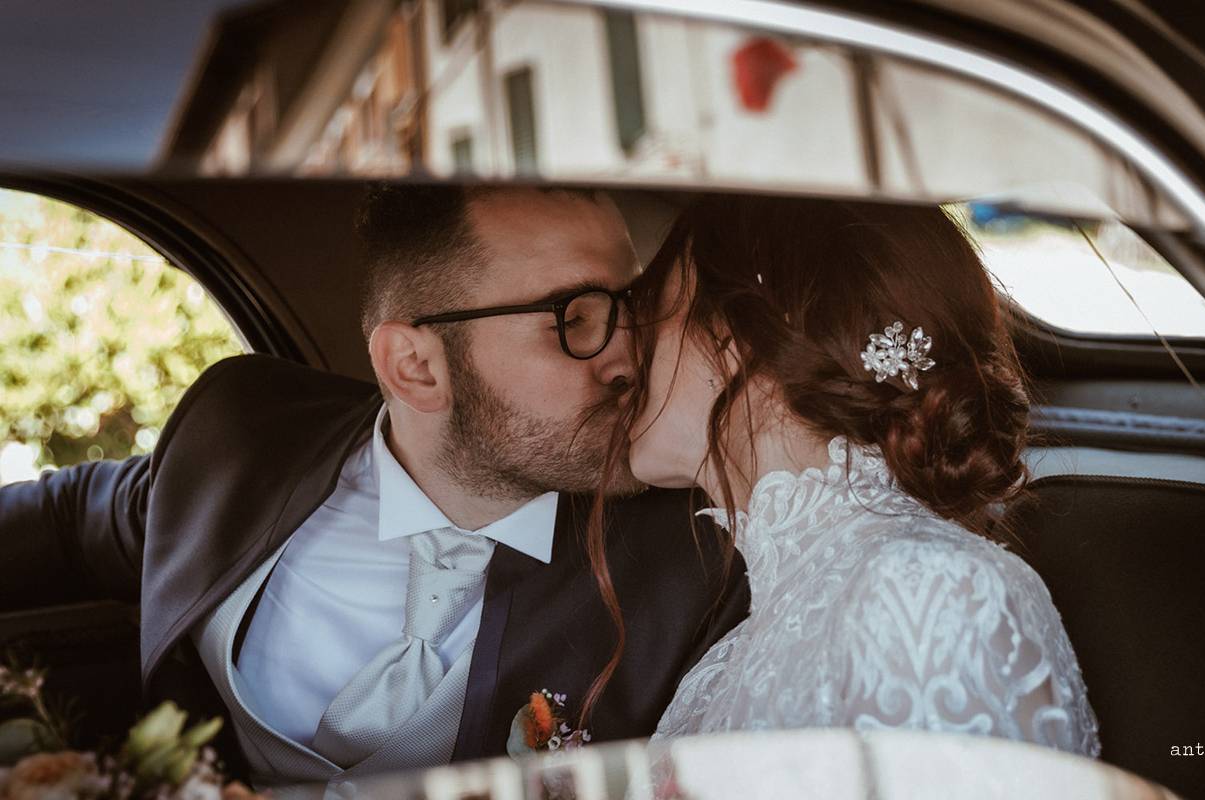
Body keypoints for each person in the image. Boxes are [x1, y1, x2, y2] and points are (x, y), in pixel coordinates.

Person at [0, 184, 748, 787]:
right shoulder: (242, 438)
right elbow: (68, 521)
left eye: (635, 309)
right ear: (416, 367)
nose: (630, 357)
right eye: (574, 318)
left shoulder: (699, 554)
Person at [606, 194, 1100, 755]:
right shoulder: (740, 647)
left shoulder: (930, 594)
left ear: (735, 337)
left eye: (649, 304)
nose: (625, 347)